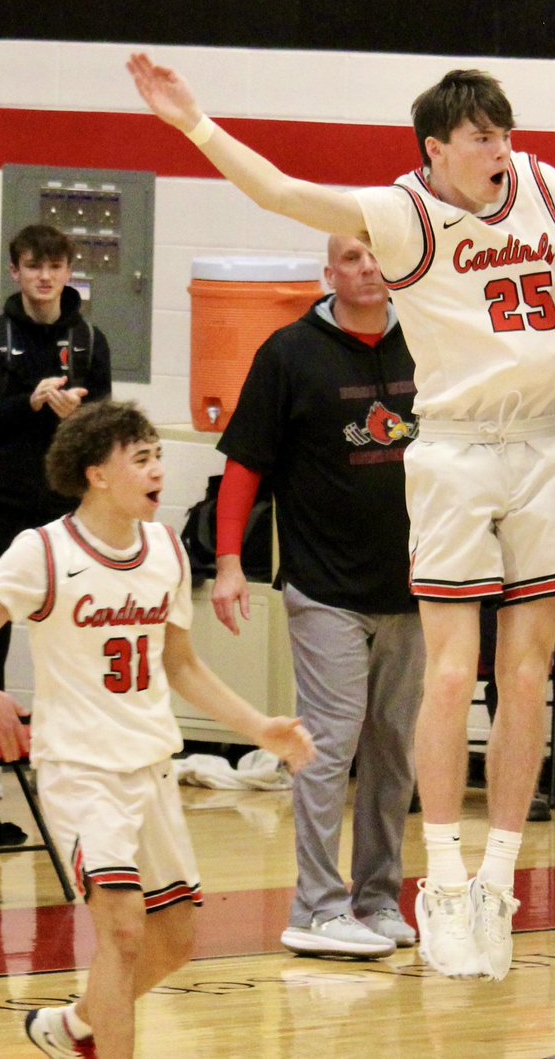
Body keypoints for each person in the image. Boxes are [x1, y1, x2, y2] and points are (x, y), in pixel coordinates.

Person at [126, 52, 555, 979]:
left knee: (524, 677)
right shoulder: (402, 210)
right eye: (482, 137)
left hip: (545, 445)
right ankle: (439, 880)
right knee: (449, 674)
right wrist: (194, 125)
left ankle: (496, 880)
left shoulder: (543, 185)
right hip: (451, 448)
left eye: (506, 134)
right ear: (437, 149)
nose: (500, 149)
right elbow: (281, 191)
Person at [0, 400, 314, 1059]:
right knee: (124, 933)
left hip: (152, 765)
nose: (159, 468)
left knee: (175, 942)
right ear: (98, 474)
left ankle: (75, 1026)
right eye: (143, 458)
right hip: (80, 769)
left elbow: (182, 665)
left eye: (159, 455)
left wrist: (259, 727)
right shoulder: (41, 552)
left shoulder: (164, 549)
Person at [212, 234, 424, 960]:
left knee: (394, 750)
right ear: (328, 273)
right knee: (329, 742)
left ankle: (376, 898)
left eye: (377, 255)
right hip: (324, 587)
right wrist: (231, 560)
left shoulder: (428, 336)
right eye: (352, 257)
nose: (368, 268)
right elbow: (245, 463)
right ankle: (317, 904)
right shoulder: (289, 352)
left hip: (415, 587)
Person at [0, 225, 112, 804]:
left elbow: (106, 433)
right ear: (15, 272)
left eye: (54, 266)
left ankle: (77, 757)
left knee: (75, 634)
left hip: (65, 516)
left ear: (68, 270)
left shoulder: (88, 339)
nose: (43, 276)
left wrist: (73, 416)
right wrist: (28, 402)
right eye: (33, 266)